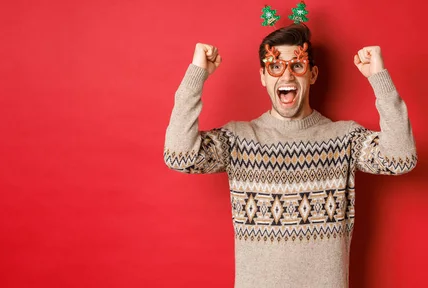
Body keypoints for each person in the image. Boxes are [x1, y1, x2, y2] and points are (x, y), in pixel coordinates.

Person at [163, 24, 417, 287]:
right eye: (275, 66)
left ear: (313, 74)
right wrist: (196, 75)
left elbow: (401, 157)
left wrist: (379, 77)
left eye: (297, 66)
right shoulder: (237, 139)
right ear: (263, 76)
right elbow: (180, 156)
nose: (286, 76)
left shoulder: (344, 139)